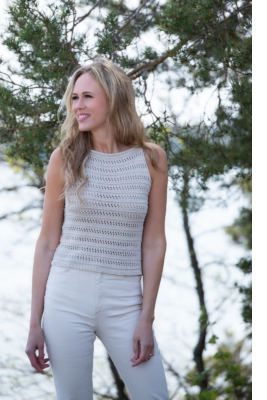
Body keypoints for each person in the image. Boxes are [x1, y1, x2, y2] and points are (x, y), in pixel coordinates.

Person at [25, 56, 170, 400]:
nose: (78, 105)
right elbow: (47, 242)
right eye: (74, 98)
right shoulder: (65, 157)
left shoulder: (152, 159)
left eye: (87, 96)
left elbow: (154, 242)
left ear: (114, 99)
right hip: (66, 297)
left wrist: (146, 318)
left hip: (126, 300)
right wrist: (34, 323)